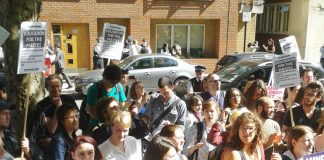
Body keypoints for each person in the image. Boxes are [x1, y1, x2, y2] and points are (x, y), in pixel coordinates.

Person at [28, 74, 77, 159]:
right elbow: (52, 130)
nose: (56, 89)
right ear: (47, 88)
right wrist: (58, 107)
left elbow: (76, 125)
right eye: (52, 87)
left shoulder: (69, 100)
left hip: (69, 139)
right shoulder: (42, 105)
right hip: (50, 143)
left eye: (58, 86)